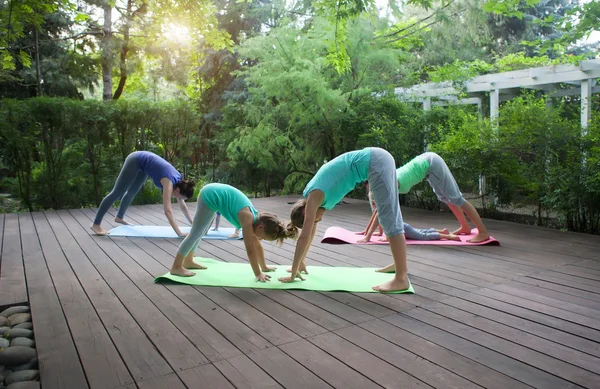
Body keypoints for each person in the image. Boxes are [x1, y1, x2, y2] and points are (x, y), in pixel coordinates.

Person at [282, 147, 411, 293]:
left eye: (315, 221)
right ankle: (398, 266)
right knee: (390, 216)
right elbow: (310, 231)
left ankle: (401, 278)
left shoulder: (314, 196)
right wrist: (300, 262)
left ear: (306, 214)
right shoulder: (313, 198)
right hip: (377, 159)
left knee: (389, 219)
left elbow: (304, 236)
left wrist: (293, 273)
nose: (319, 220)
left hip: (376, 162)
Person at [170, 183, 298, 280]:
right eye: (263, 237)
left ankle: (188, 260)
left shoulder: (257, 221)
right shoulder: (247, 218)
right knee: (195, 233)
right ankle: (176, 266)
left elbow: (256, 245)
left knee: (201, 232)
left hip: (215, 196)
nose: (261, 240)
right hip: (210, 195)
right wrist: (258, 273)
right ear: (261, 228)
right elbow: (250, 250)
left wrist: (263, 267)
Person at [91, 151, 195, 236]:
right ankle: (96, 224)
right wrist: (179, 233)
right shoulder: (169, 183)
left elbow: (182, 205)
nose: (180, 199)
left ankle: (119, 218)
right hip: (136, 159)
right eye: (180, 197)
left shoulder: (180, 184)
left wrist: (193, 224)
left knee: (132, 192)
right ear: (177, 191)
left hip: (145, 166)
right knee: (118, 192)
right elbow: (167, 211)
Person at [394, 152, 490, 243]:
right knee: (446, 198)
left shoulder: (391, 183)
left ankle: (483, 232)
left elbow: (383, 210)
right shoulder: (388, 180)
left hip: (432, 163)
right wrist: (381, 232)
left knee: (457, 199)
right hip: (428, 165)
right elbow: (380, 209)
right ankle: (465, 227)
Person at [357, 188, 460, 243]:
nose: (373, 203)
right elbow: (376, 219)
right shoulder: (379, 210)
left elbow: (387, 224)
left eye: (374, 201)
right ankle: (442, 231)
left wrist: (369, 236)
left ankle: (448, 236)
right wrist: (366, 232)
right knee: (420, 231)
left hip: (402, 228)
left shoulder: (383, 209)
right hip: (403, 227)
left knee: (422, 236)